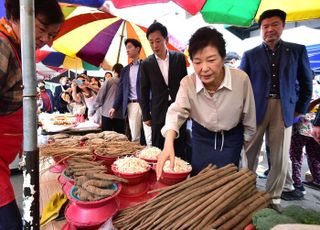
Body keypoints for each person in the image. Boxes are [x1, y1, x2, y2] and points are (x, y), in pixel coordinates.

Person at [156, 27, 256, 178]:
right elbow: (176, 112)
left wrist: (245, 142)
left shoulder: (241, 79)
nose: (204, 69)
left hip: (231, 140)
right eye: (197, 62)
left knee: (227, 185)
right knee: (199, 181)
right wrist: (168, 143)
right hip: (202, 139)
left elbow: (249, 116)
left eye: (211, 60)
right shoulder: (188, 83)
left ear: (223, 58)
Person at [240, 9, 313, 208]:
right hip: (255, 109)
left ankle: (272, 198)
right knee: (249, 154)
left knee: (280, 157)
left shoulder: (297, 50)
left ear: (283, 26)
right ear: (261, 29)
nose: (270, 30)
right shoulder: (250, 54)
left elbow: (307, 82)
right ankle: (245, 193)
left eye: (275, 25)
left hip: (284, 109)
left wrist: (299, 109)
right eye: (265, 26)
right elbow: (241, 86)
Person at [0, 0, 64, 228]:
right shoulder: (2, 45)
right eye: (42, 29)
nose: (47, 39)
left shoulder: (17, 49)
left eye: (52, 34)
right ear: (19, 14)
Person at [140, 22, 188, 160]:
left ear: (166, 40)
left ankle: (179, 173)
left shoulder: (179, 58)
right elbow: (143, 90)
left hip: (178, 107)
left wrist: (188, 107)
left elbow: (185, 85)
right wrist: (146, 115)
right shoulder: (146, 64)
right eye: (151, 42)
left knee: (179, 144)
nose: (155, 46)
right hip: (158, 110)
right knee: (158, 146)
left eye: (158, 41)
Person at [109, 38, 152, 145]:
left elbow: (152, 87)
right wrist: (114, 107)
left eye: (129, 47)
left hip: (147, 104)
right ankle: (137, 160)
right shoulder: (125, 70)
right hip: (132, 105)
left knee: (149, 135)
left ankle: (152, 158)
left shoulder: (147, 65)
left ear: (138, 49)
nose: (127, 50)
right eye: (126, 48)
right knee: (135, 136)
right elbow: (121, 91)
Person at [92, 63, 125, 133]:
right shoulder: (125, 82)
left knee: (106, 136)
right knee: (119, 137)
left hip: (107, 112)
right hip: (120, 114)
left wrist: (93, 109)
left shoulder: (109, 80)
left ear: (114, 71)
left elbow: (100, 96)